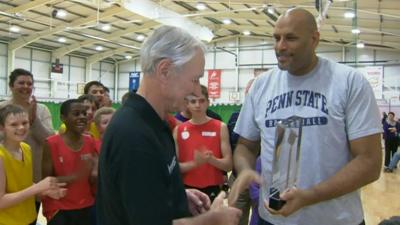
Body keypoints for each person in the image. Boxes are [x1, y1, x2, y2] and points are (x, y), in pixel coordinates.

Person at [228, 8, 382, 225]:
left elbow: (370, 162)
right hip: (271, 219)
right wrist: (244, 171)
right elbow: (246, 146)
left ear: (314, 39)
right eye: (276, 38)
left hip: (335, 220)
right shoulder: (262, 86)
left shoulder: (349, 82)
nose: (280, 46)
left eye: (290, 38)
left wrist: (309, 196)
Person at [97, 25, 241, 225]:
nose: (196, 89)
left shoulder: (157, 123)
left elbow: (143, 191)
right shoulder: (133, 136)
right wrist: (212, 220)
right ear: (164, 71)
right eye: (194, 79)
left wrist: (176, 195)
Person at [0, 68, 55, 223]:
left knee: (29, 211)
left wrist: (34, 119)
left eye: (29, 83)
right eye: (21, 83)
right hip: (7, 173)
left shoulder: (41, 109)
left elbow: (49, 139)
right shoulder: (2, 108)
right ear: (11, 86)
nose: (26, 86)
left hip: (32, 174)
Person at [0, 104, 66, 225]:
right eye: (14, 124)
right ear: (2, 128)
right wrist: (37, 187)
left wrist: (45, 190)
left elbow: (23, 183)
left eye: (25, 123)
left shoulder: (26, 148)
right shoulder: (1, 156)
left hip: (29, 218)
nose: (21, 128)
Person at [42, 99, 98, 225]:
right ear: (63, 118)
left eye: (84, 113)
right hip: (60, 207)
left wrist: (95, 169)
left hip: (86, 205)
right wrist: (75, 177)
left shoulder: (90, 141)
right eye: (76, 114)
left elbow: (95, 167)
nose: (82, 117)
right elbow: (46, 182)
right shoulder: (51, 143)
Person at [174, 85, 232, 202]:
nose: (197, 105)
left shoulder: (220, 127)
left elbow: (229, 165)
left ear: (208, 103)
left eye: (201, 101)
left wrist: (211, 160)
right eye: (193, 101)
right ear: (187, 104)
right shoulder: (178, 130)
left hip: (213, 189)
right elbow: (175, 168)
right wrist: (195, 163)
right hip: (187, 189)